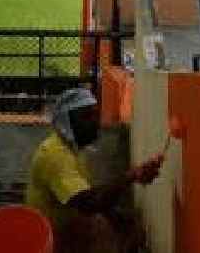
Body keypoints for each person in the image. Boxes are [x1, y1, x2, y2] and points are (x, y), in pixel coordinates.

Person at [27, 88, 163, 253]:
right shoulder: (55, 155)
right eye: (86, 117)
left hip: (65, 230)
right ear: (66, 122)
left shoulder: (72, 148)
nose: (95, 123)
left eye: (95, 116)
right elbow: (89, 203)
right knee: (104, 231)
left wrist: (116, 216)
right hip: (49, 241)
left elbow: (90, 197)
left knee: (120, 224)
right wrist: (132, 176)